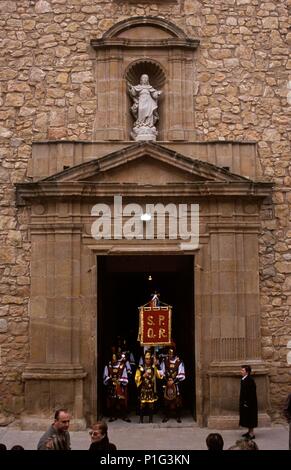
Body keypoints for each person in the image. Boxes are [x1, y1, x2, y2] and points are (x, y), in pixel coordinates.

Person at [135, 350, 163, 423]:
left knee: (151, 405)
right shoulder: (141, 368)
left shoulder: (153, 368)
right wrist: (142, 376)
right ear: (144, 359)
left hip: (150, 389)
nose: (148, 360)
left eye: (149, 359)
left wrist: (158, 365)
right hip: (143, 389)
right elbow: (136, 378)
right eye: (146, 359)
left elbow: (160, 375)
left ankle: (151, 420)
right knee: (142, 405)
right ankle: (141, 420)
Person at [103, 352, 131, 422]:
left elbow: (125, 376)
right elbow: (105, 376)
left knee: (122, 400)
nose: (114, 359)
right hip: (112, 386)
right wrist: (110, 379)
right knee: (112, 401)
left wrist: (120, 380)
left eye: (115, 358)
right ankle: (112, 415)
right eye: (113, 358)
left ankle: (124, 415)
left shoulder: (122, 366)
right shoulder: (108, 366)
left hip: (119, 386)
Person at [160, 346, 185, 423]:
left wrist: (173, 381)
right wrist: (166, 381)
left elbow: (181, 374)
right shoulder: (165, 361)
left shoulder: (179, 362)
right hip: (167, 383)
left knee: (177, 401)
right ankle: (166, 416)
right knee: (166, 400)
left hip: (175, 384)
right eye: (169, 354)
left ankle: (178, 416)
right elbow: (162, 372)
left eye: (172, 354)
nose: (170, 355)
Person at [239, 365, 258, 440]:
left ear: (247, 372)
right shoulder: (244, 379)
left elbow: (251, 393)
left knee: (250, 417)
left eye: (243, 370)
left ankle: (252, 434)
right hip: (246, 402)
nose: (241, 371)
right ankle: (249, 431)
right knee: (247, 417)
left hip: (250, 403)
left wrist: (246, 402)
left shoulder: (250, 380)